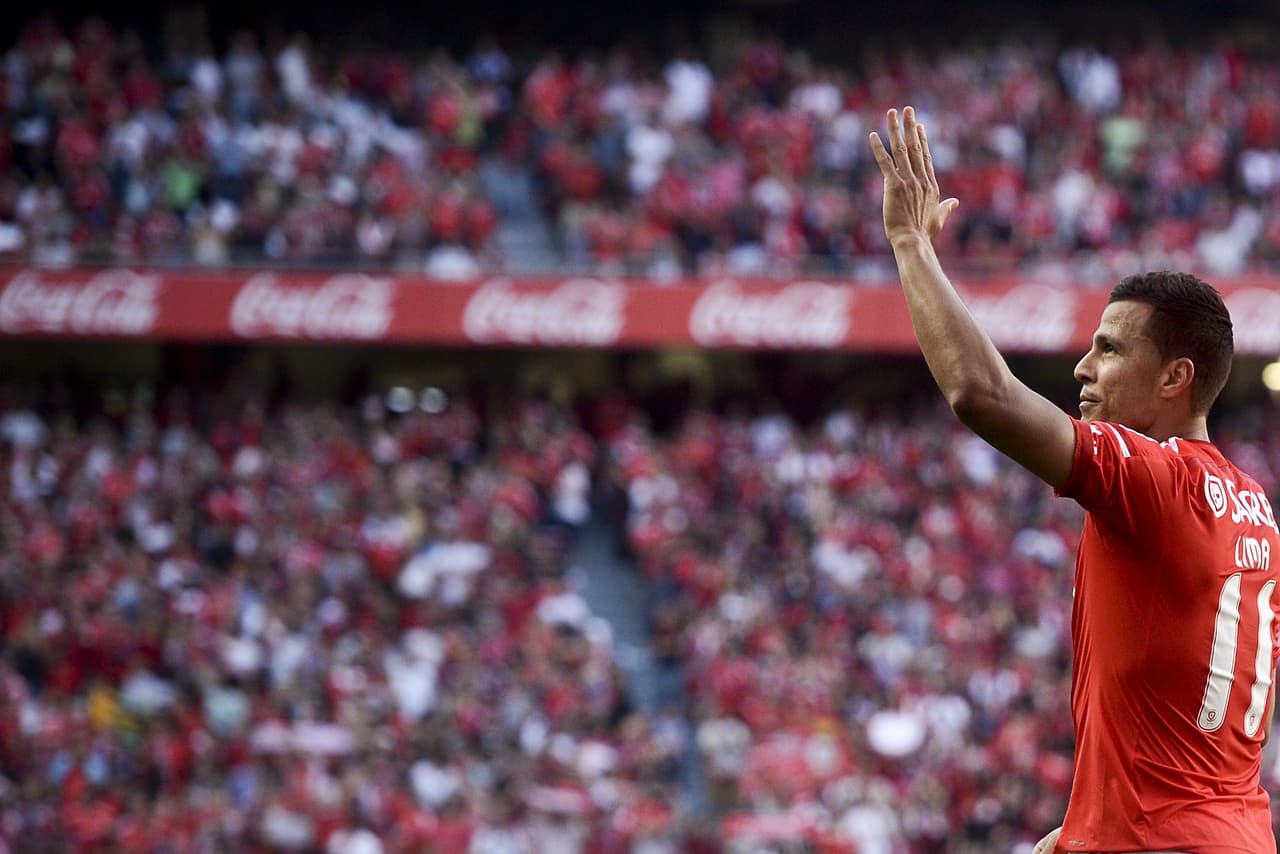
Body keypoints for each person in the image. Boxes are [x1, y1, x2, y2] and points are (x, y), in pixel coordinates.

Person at [869, 106, 1280, 853]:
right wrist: (1090, 823)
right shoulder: (1254, 505)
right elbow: (1184, 712)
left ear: (1175, 378)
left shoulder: (1159, 482)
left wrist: (908, 245)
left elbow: (981, 395)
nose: (1084, 369)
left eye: (1111, 350)